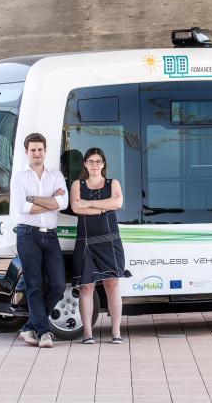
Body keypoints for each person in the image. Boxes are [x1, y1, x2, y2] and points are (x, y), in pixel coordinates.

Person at [10, 133, 68, 348]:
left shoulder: (55, 176)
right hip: (27, 234)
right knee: (34, 284)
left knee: (58, 285)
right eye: (33, 149)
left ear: (45, 151)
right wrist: (51, 201)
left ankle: (29, 327)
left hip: (50, 235)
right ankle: (44, 333)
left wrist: (34, 199)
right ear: (27, 152)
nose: (37, 153)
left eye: (40, 149)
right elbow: (22, 208)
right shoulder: (19, 178)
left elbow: (63, 203)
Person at [70, 147, 131, 344]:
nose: (95, 165)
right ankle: (87, 333)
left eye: (98, 161)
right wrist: (103, 207)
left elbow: (118, 203)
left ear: (103, 164)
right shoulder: (77, 185)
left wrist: (88, 205)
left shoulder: (113, 183)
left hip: (110, 240)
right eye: (91, 161)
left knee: (112, 284)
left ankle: (116, 332)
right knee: (86, 287)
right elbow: (75, 207)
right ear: (85, 164)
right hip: (86, 242)